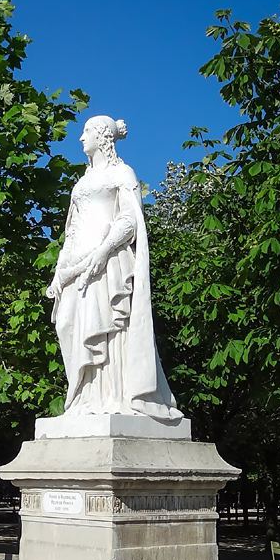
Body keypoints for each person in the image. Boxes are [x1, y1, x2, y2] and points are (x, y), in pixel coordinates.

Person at [46, 115, 181, 420]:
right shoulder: (81, 183)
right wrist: (59, 270)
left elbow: (130, 219)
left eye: (86, 132)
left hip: (106, 262)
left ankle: (109, 397)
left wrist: (104, 251)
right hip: (76, 264)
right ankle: (82, 397)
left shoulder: (123, 173)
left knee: (105, 326)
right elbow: (73, 230)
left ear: (102, 136)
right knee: (65, 324)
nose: (81, 138)